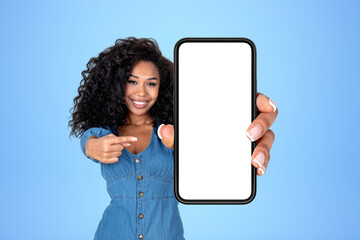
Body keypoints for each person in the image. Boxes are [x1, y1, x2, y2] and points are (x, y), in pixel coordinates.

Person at [68, 37, 278, 240]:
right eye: (132, 81)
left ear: (162, 87)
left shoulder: (175, 132)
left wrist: (239, 108)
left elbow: (211, 140)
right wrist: (92, 146)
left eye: (151, 84)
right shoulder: (106, 132)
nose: (141, 92)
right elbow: (90, 140)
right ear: (116, 84)